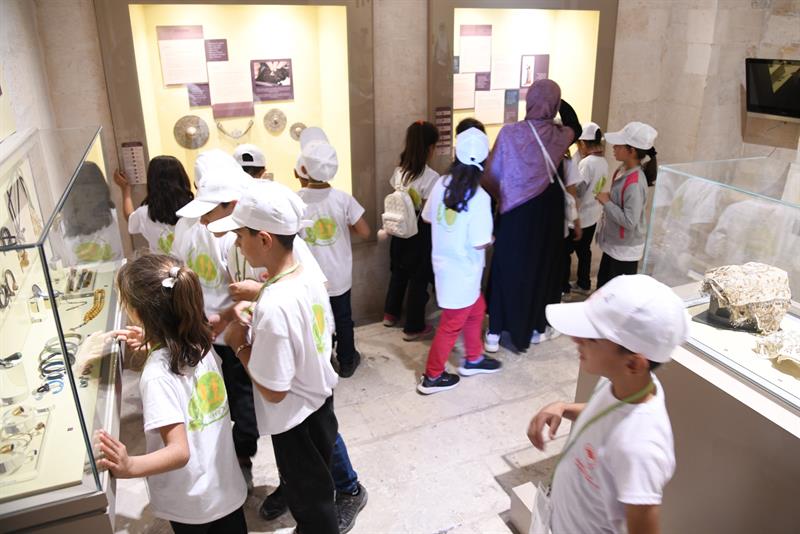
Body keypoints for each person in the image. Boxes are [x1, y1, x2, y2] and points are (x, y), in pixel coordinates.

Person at [220, 180, 368, 534]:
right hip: (319, 404)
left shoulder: (274, 303)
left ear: (264, 239)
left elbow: (274, 390)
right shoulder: (306, 276)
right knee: (317, 489)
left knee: (311, 505)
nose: (237, 243)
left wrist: (239, 344)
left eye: (240, 235)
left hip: (294, 421)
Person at [526, 274, 688, 534]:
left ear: (633, 363)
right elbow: (604, 418)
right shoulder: (621, 383)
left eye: (592, 338)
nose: (576, 338)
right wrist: (563, 408)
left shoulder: (640, 448)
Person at [98, 254, 247, 533]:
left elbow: (179, 452)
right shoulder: (200, 341)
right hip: (224, 487)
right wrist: (152, 346)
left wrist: (130, 466)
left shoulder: (157, 376)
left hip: (192, 504)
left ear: (138, 314)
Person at [171, 150, 259, 489]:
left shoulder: (187, 225)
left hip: (205, 331)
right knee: (242, 400)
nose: (207, 221)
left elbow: (179, 272)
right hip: (231, 332)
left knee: (217, 400)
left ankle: (231, 459)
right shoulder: (231, 232)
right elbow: (245, 288)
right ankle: (240, 457)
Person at [482, 79, 581, 353]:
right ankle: (536, 328)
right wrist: (557, 104)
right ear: (555, 104)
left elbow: (490, 175)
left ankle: (494, 332)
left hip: (514, 213)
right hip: (547, 215)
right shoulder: (559, 136)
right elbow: (576, 125)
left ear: (529, 101)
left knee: (506, 267)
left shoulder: (509, 133)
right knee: (541, 268)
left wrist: (504, 196)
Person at [417, 127, 502, 394]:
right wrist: (492, 238)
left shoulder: (441, 184)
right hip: (465, 270)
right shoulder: (480, 196)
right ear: (485, 159)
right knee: (451, 324)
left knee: (477, 309)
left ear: (456, 153)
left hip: (446, 266)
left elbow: (427, 217)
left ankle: (473, 358)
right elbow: (479, 241)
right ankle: (432, 376)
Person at [296, 127, 371, 378]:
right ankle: (347, 361)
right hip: (339, 275)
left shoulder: (296, 200)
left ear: (304, 168)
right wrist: (343, 223)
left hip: (309, 277)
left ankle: (323, 362)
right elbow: (365, 231)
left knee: (316, 320)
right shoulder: (343, 199)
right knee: (343, 318)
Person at [383, 120, 439, 341]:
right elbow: (428, 211)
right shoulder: (431, 177)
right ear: (430, 148)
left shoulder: (399, 172)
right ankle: (414, 327)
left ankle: (390, 314)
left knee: (398, 272)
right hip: (419, 233)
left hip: (398, 230)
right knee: (418, 278)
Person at [595, 122, 658, 288]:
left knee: (615, 294)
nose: (614, 147)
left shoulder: (635, 183)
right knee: (604, 288)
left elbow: (630, 221)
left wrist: (607, 202)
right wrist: (609, 198)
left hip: (624, 251)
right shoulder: (622, 169)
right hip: (615, 244)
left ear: (632, 151)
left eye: (619, 145)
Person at [113, 156, 194, 255]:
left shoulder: (145, 214)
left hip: (161, 265)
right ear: (183, 178)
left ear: (152, 182)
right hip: (192, 264)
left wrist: (125, 190)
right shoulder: (195, 209)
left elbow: (129, 217)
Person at [563, 122, 609, 293]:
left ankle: (564, 288)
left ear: (582, 143)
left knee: (565, 253)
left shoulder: (587, 163)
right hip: (593, 215)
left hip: (579, 217)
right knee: (584, 251)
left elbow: (578, 190)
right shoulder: (603, 161)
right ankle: (584, 283)